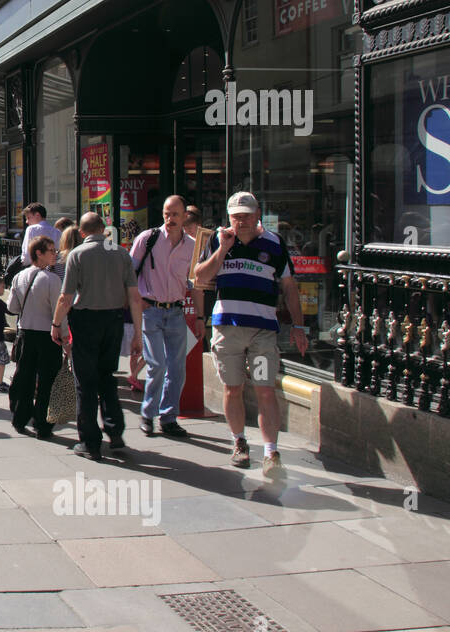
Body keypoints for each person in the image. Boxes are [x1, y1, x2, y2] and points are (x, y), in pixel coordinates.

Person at [195, 191, 308, 480]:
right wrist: (221, 250)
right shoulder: (217, 240)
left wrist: (298, 326)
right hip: (228, 330)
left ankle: (271, 452)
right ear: (229, 217)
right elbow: (201, 277)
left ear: (257, 214)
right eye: (235, 215)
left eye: (246, 214)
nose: (240, 220)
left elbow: (289, 287)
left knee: (265, 388)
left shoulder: (274, 244)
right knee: (232, 388)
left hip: (262, 332)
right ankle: (239, 442)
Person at [50, 212, 143, 459]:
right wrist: (138, 334)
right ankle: (115, 432)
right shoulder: (122, 254)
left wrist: (56, 323)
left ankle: (90, 442)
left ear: (81, 232)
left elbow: (65, 297)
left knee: (86, 383)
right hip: (113, 320)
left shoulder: (77, 255)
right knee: (107, 378)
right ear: (104, 230)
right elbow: (134, 297)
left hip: (86, 321)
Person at [130, 196, 205, 439]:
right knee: (157, 365)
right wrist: (135, 303)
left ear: (185, 217)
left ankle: (169, 417)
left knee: (177, 367)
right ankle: (148, 415)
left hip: (176, 311)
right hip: (150, 310)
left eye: (175, 214)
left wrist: (201, 317)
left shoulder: (193, 246)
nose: (170, 219)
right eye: (166, 213)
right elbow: (130, 273)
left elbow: (196, 284)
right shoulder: (148, 238)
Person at [7, 236, 63, 437]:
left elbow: (12, 307)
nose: (54, 254)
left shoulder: (19, 277)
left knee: (25, 377)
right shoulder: (52, 280)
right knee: (47, 381)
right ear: (39, 253)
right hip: (47, 335)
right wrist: (65, 337)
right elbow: (59, 311)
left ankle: (20, 418)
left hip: (25, 332)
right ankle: (42, 424)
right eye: (51, 250)